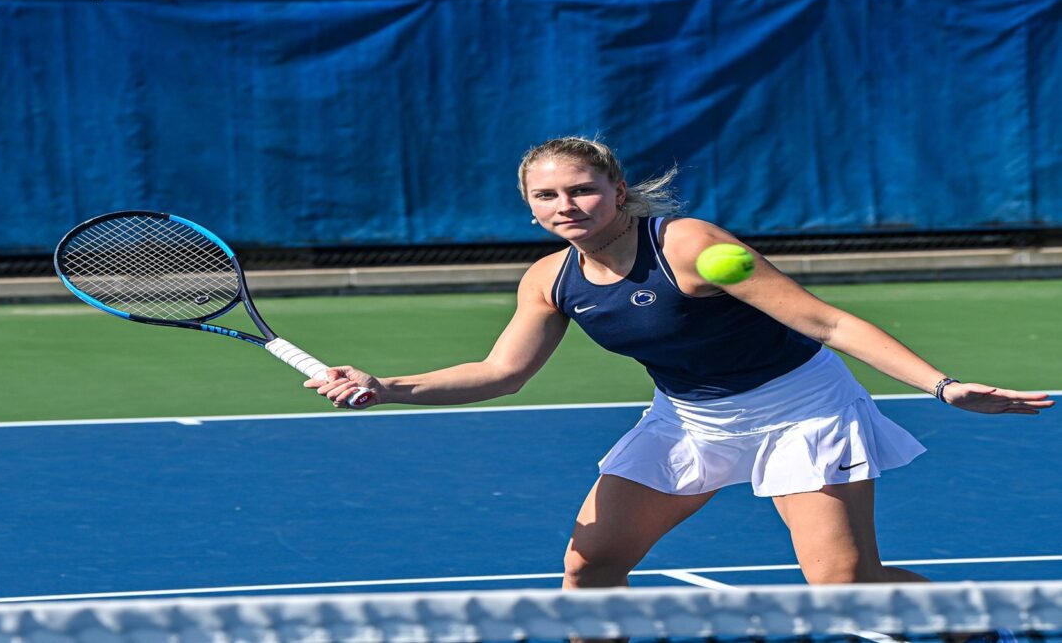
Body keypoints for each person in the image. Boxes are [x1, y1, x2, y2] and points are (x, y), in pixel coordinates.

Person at [304, 136, 1053, 588]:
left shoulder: (694, 247)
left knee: (843, 585)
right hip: (690, 421)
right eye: (548, 196)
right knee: (588, 567)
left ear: (616, 191)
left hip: (801, 409)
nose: (567, 205)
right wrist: (387, 385)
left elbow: (823, 320)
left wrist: (943, 385)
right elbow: (503, 374)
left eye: (583, 190)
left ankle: (963, 623)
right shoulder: (549, 280)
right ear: (530, 208)